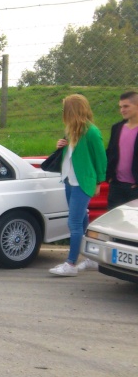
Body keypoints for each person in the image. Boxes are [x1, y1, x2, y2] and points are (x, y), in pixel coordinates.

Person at [49, 94, 107, 277]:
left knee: (74, 222)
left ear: (72, 110)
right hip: (69, 180)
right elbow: (70, 155)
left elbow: (101, 159)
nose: (63, 112)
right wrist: (60, 146)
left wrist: (99, 181)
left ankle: (71, 264)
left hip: (83, 182)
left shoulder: (91, 132)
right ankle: (90, 259)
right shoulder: (70, 130)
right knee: (81, 220)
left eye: (65, 109)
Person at [105, 91, 138, 210]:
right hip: (116, 186)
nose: (122, 110)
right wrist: (109, 176)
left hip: (135, 188)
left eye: (126, 106)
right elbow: (110, 153)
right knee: (112, 223)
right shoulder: (117, 128)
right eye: (120, 107)